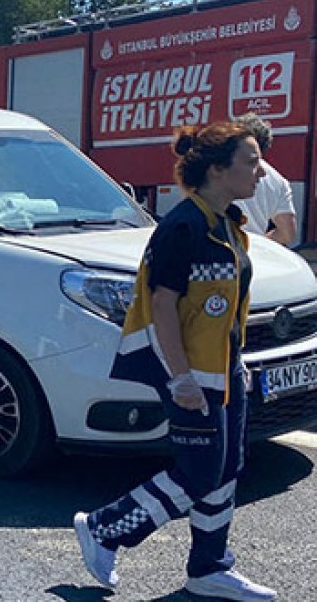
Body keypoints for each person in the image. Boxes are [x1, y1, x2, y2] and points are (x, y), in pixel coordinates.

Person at [73, 121, 275, 601]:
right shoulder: (182, 227)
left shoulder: (228, 225)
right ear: (217, 169)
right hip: (188, 373)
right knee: (199, 471)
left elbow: (224, 307)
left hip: (223, 369)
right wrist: (180, 378)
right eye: (250, 162)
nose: (261, 172)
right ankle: (104, 529)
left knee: (226, 470)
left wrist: (236, 360)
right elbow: (162, 306)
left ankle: (209, 568)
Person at [233, 114, 297, 246]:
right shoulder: (279, 181)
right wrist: (257, 243)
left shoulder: (218, 169)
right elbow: (287, 234)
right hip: (252, 256)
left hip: (218, 252)